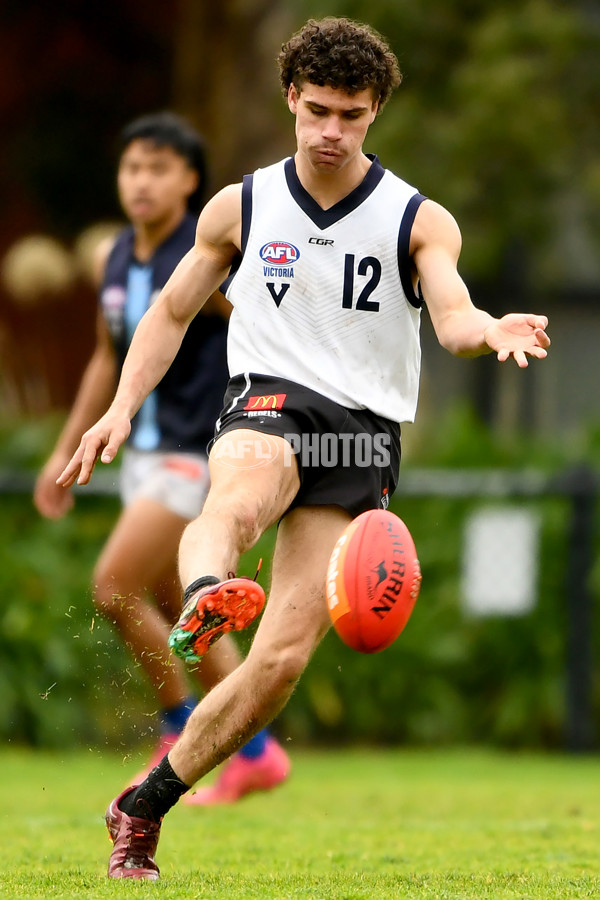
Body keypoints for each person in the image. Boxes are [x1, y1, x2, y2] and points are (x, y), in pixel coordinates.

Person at [57, 18, 550, 880]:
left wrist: (487, 330)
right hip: (271, 401)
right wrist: (120, 409)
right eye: (316, 109)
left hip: (364, 432)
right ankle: (210, 591)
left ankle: (141, 807)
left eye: (350, 116)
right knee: (239, 495)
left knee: (279, 666)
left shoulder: (418, 219)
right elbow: (170, 313)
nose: (330, 131)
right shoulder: (240, 206)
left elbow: (453, 314)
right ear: (290, 97)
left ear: (375, 112)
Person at [34, 111, 289, 804]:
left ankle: (181, 730)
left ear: (190, 181)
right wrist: (67, 445)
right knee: (183, 610)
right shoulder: (118, 254)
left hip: (198, 450)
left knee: (113, 589)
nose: (141, 182)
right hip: (144, 454)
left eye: (157, 168)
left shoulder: (204, 252)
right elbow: (106, 355)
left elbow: (264, 326)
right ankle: (255, 749)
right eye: (131, 168)